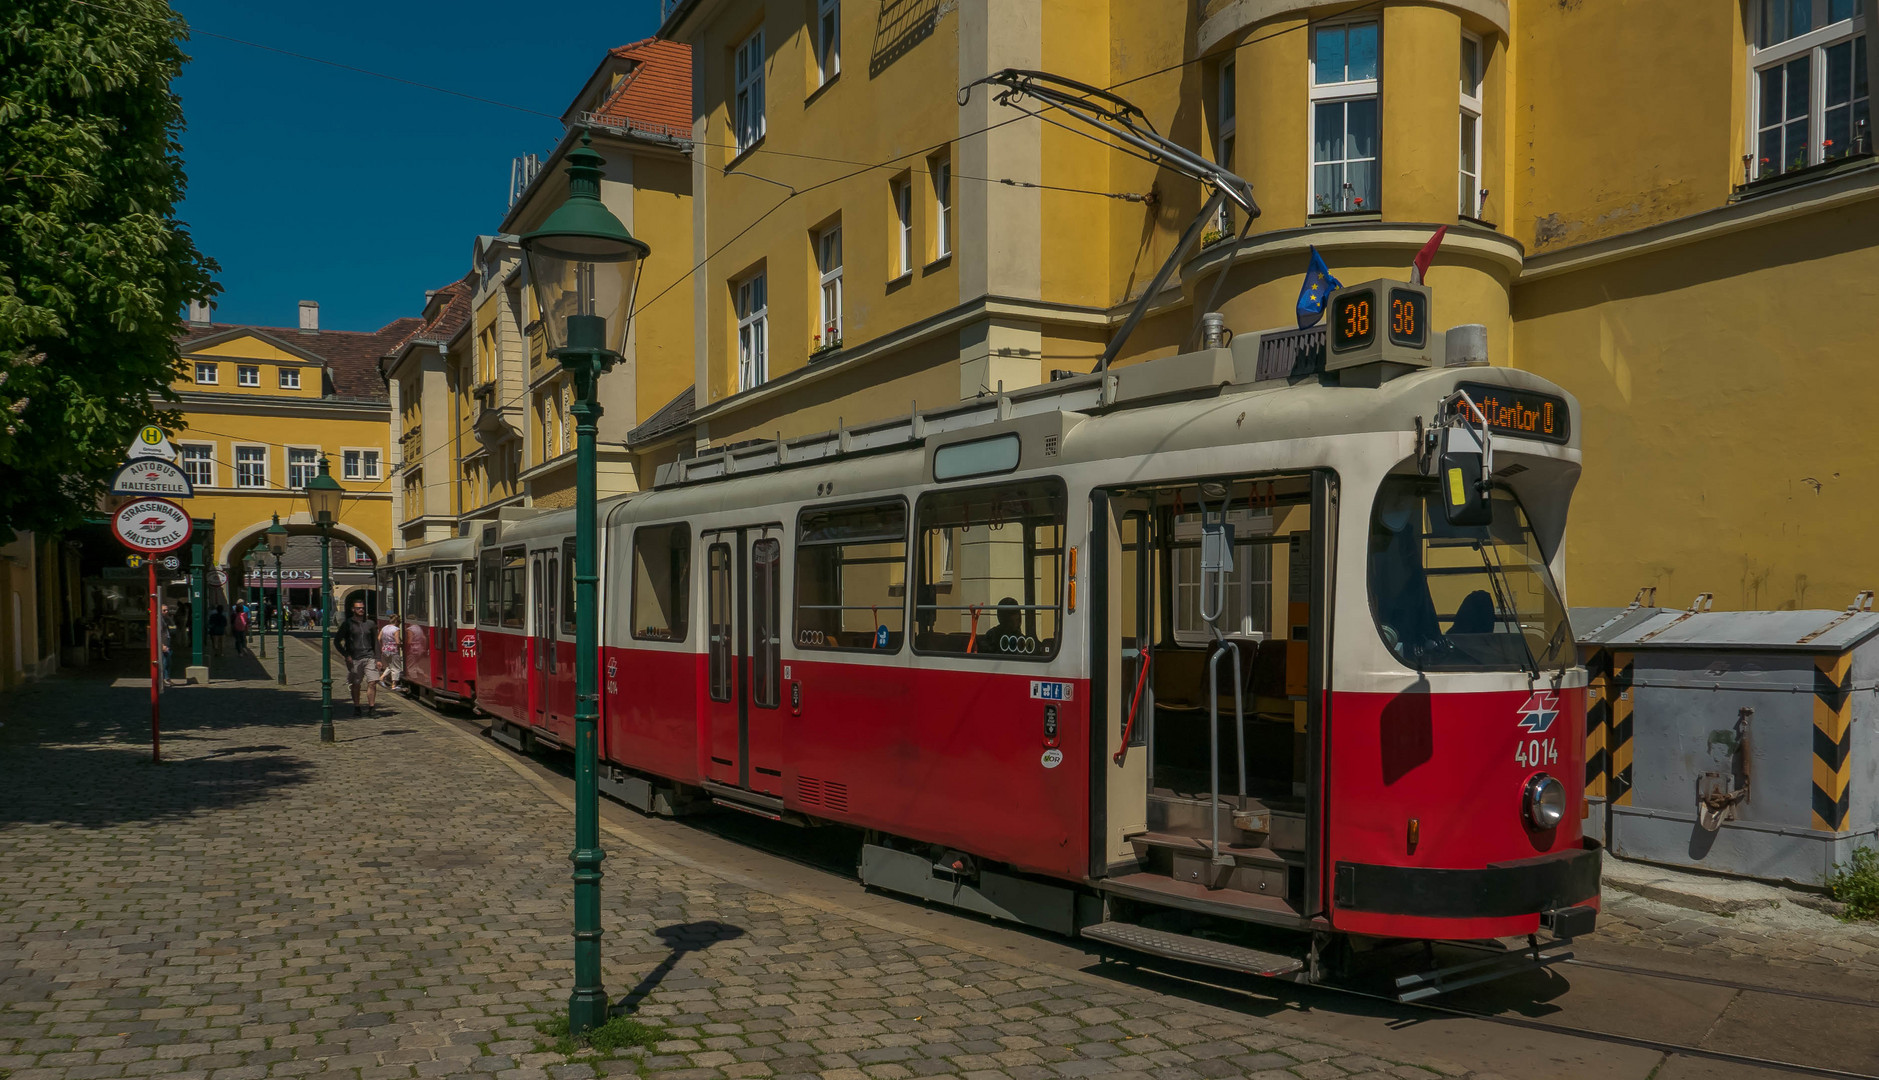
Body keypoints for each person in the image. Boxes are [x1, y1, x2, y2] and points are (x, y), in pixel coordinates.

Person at [334, 597, 380, 717]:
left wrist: (378, 658)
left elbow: (376, 642)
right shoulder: (347, 624)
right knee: (356, 683)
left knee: (373, 682)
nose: (361, 610)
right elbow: (337, 642)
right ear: (353, 609)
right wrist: (346, 655)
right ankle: (357, 707)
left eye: (362, 608)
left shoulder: (370, 624)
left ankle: (371, 708)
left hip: (369, 656)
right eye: (358, 608)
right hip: (355, 658)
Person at [377, 615, 404, 693]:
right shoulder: (396, 629)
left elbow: (379, 638)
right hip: (393, 650)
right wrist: (401, 645)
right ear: (396, 621)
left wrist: (383, 645)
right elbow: (397, 641)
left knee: (390, 666)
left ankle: (381, 678)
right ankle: (394, 685)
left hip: (385, 649)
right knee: (397, 668)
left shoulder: (384, 627)